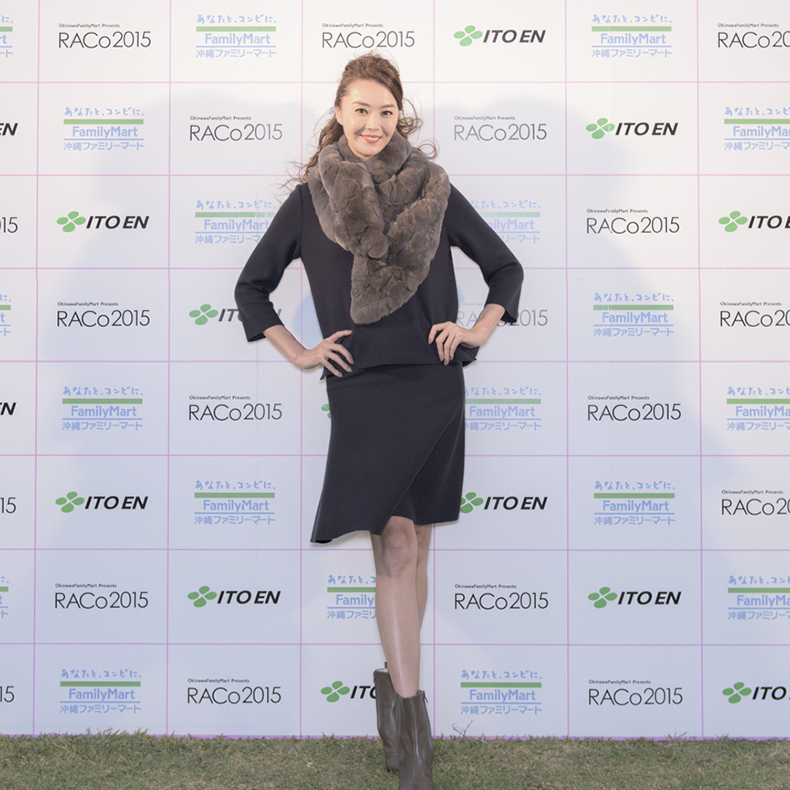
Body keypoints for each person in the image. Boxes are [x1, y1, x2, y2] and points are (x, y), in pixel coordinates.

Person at [235, 53, 523, 790]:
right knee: (395, 544)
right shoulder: (312, 200)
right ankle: (415, 735)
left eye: (385, 112)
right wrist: (301, 351)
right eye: (360, 110)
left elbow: (505, 268)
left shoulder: (434, 188)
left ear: (401, 116)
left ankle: (394, 701)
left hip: (433, 382)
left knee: (415, 551)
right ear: (338, 112)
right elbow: (252, 287)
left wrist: (476, 331)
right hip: (361, 387)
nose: (372, 124)